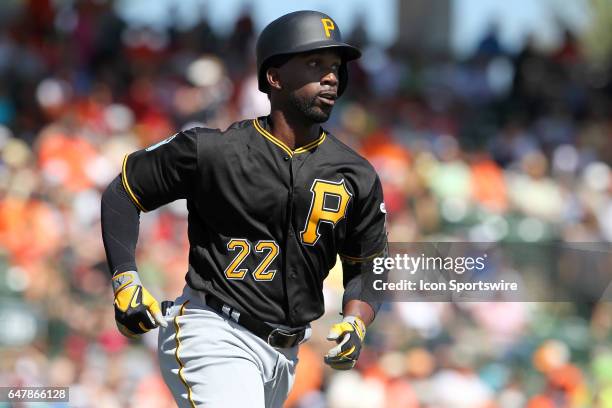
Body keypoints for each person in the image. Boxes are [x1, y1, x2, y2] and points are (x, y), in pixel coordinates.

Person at [101, 10, 387, 408]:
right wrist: (125, 279)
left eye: (336, 67)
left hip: (284, 358)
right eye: (314, 63)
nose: (331, 76)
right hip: (213, 330)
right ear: (274, 77)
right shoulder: (214, 150)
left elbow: (368, 263)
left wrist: (357, 319)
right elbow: (123, 191)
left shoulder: (356, 173)